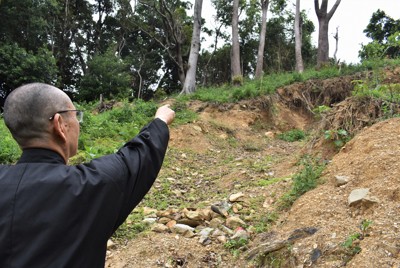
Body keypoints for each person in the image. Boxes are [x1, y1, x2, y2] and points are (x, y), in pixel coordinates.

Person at [0, 82, 175, 267]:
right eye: (77, 116)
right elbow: (138, 157)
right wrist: (160, 121)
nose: (78, 123)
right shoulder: (91, 184)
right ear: (60, 124)